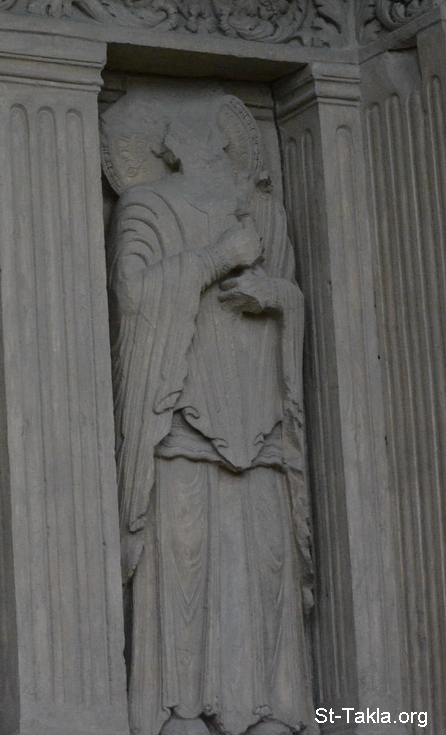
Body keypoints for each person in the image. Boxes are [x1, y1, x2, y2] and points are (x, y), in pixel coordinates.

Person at [105, 91, 315, 735]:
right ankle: (178, 709)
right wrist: (217, 259)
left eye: (223, 139)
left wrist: (273, 294)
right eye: (202, 136)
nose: (220, 147)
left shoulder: (264, 214)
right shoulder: (146, 206)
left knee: (267, 565)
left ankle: (276, 707)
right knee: (184, 559)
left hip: (260, 419)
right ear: (172, 147)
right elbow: (133, 295)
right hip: (181, 418)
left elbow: (291, 295)